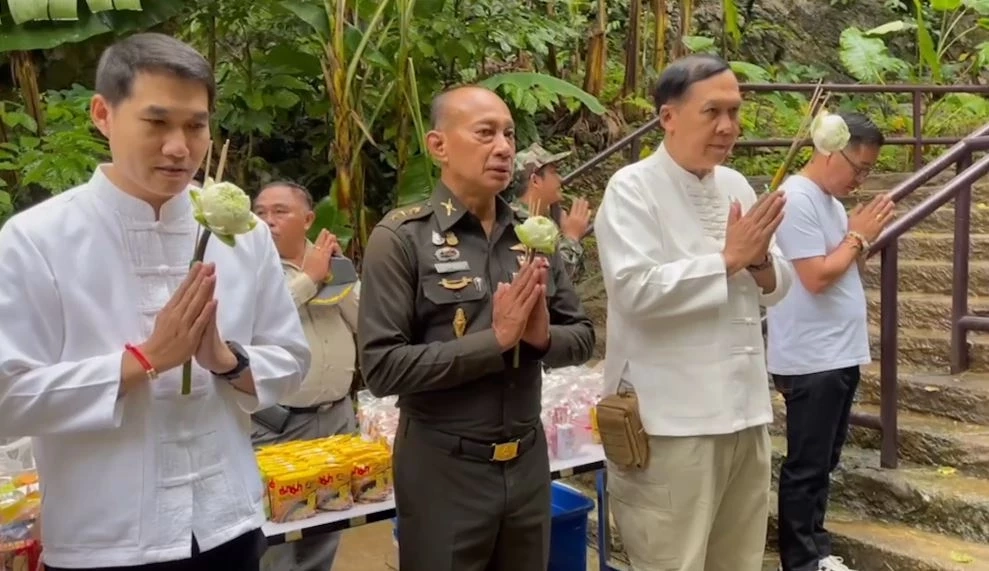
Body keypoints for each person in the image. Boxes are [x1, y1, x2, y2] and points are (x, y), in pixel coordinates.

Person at [0, 33, 310, 570]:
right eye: (157, 122)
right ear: (103, 114)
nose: (179, 147)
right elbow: (8, 396)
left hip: (228, 524)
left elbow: (291, 360)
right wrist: (143, 360)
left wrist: (228, 361)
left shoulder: (243, 233)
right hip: (106, 540)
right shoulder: (37, 239)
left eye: (196, 126)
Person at [357, 85, 595, 571]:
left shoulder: (533, 235)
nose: (504, 147)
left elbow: (583, 336)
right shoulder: (402, 238)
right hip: (444, 468)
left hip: (528, 464)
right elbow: (381, 368)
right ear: (439, 145)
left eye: (509, 134)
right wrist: (496, 341)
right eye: (486, 133)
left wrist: (541, 338)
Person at [594, 53, 794, 571]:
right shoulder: (632, 187)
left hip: (745, 412)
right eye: (712, 112)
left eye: (735, 111)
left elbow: (775, 285)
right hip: (671, 423)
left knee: (739, 560)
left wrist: (758, 261)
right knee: (673, 562)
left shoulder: (736, 185)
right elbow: (635, 291)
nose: (728, 126)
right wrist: (728, 259)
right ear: (669, 117)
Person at [767, 113, 893, 571]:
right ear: (830, 150)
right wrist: (858, 237)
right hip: (810, 357)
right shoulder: (797, 198)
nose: (861, 179)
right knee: (807, 464)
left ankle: (816, 551)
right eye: (859, 167)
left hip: (836, 352)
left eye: (868, 171)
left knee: (825, 459)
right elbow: (816, 276)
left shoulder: (831, 203)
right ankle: (801, 560)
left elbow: (840, 265)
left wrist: (857, 237)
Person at [251, 181, 360, 571]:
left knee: (327, 525)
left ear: (309, 219)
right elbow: (255, 325)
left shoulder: (330, 263)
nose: (268, 221)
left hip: (336, 419)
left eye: (280, 212)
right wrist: (308, 279)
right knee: (278, 534)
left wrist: (339, 276)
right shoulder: (249, 267)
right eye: (260, 213)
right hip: (279, 424)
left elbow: (367, 323)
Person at [507, 143, 592, 283]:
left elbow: (573, 279)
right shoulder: (514, 224)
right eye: (553, 172)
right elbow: (550, 278)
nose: (560, 179)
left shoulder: (544, 220)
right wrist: (571, 237)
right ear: (535, 180)